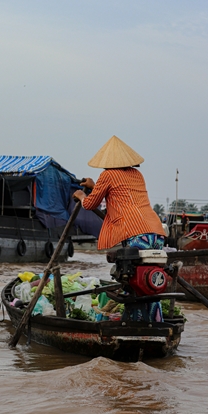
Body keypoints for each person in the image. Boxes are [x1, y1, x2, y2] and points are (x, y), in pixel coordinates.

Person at [73, 135, 166, 322]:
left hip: (136, 233)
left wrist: (82, 195)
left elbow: (90, 204)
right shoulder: (137, 175)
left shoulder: (107, 175)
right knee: (150, 281)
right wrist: (94, 185)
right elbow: (120, 190)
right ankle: (155, 322)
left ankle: (134, 322)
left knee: (134, 280)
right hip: (156, 232)